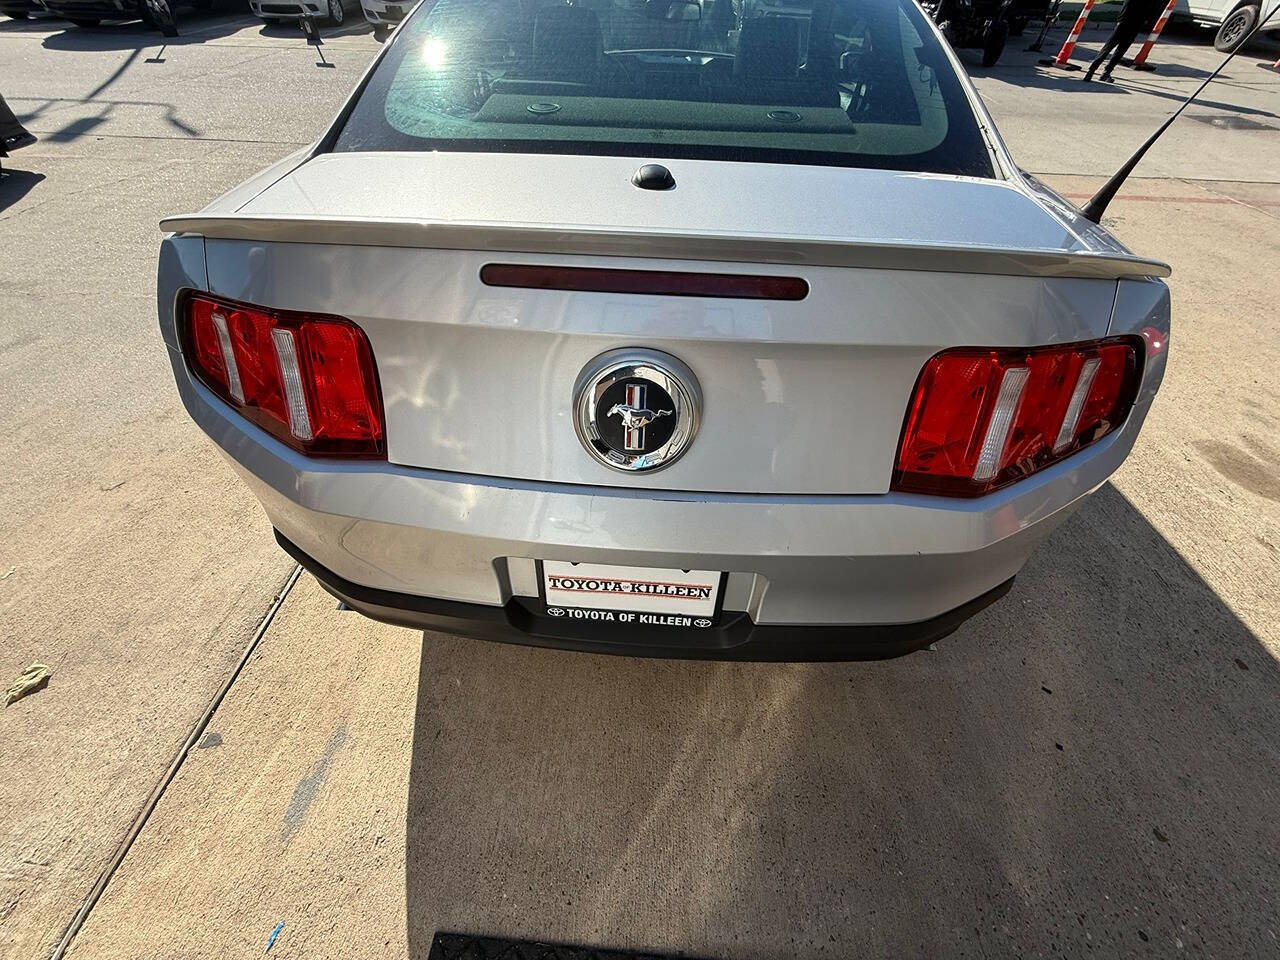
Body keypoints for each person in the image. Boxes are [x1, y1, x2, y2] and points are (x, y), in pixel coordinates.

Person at [1083, 0, 1167, 81]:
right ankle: (1105, 72)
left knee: (1109, 46)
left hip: (1125, 19)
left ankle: (1092, 71)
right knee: (1121, 49)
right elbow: (1153, 8)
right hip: (1136, 21)